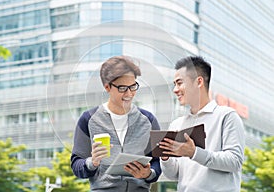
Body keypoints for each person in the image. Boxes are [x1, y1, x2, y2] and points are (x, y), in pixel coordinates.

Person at [70, 55, 161, 191]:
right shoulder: (88, 119)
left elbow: (156, 163)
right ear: (107, 87)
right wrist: (92, 162)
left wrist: (148, 173)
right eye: (122, 88)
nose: (129, 94)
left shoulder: (149, 120)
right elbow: (76, 165)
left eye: (133, 86)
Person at [159, 56, 245, 191]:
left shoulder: (227, 116)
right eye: (174, 84)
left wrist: (194, 153)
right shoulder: (177, 124)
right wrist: (165, 158)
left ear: (199, 82)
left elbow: (234, 162)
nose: (175, 90)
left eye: (179, 83)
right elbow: (173, 174)